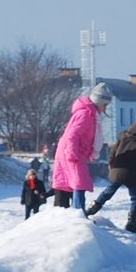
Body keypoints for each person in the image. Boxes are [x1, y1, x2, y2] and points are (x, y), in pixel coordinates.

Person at [87, 109, 136, 233]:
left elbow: (113, 151)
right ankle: (131, 224)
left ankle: (90, 211)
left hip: (117, 169)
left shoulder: (124, 134)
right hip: (133, 174)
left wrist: (111, 163)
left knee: (107, 192)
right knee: (135, 199)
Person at [50, 85, 109, 213]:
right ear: (98, 102)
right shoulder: (86, 115)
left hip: (72, 152)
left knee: (72, 183)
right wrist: (73, 154)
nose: (105, 108)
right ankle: (79, 213)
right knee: (79, 183)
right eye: (104, 105)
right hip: (72, 153)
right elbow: (73, 135)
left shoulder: (89, 114)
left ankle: (73, 213)